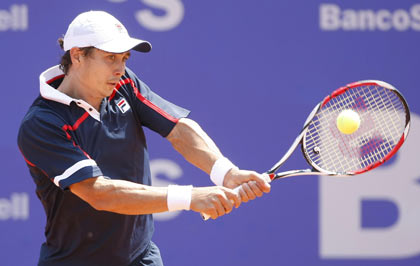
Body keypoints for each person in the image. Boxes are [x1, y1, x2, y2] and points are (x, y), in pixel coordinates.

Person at [17, 11, 270, 266]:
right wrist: (190, 197)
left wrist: (226, 172)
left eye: (125, 58)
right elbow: (99, 193)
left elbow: (178, 129)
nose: (120, 68)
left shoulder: (124, 83)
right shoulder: (42, 123)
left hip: (141, 258)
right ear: (77, 55)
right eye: (110, 58)